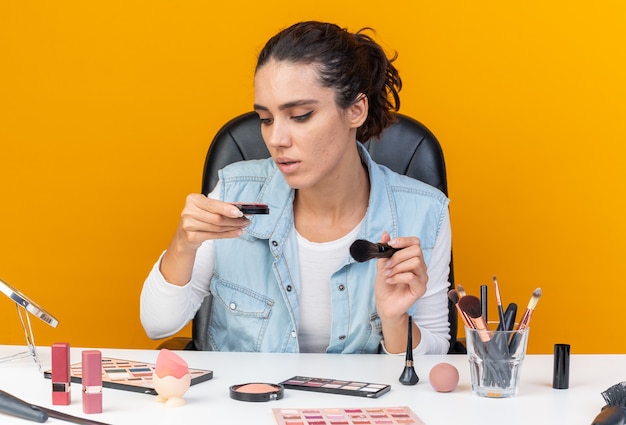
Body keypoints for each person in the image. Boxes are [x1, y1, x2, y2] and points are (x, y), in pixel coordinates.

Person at [140, 21, 452, 355]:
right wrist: (183, 244)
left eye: (300, 115)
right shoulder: (233, 193)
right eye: (266, 119)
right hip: (246, 405)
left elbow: (438, 355)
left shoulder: (424, 212)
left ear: (355, 110)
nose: (276, 139)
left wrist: (395, 321)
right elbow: (158, 325)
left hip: (360, 408)